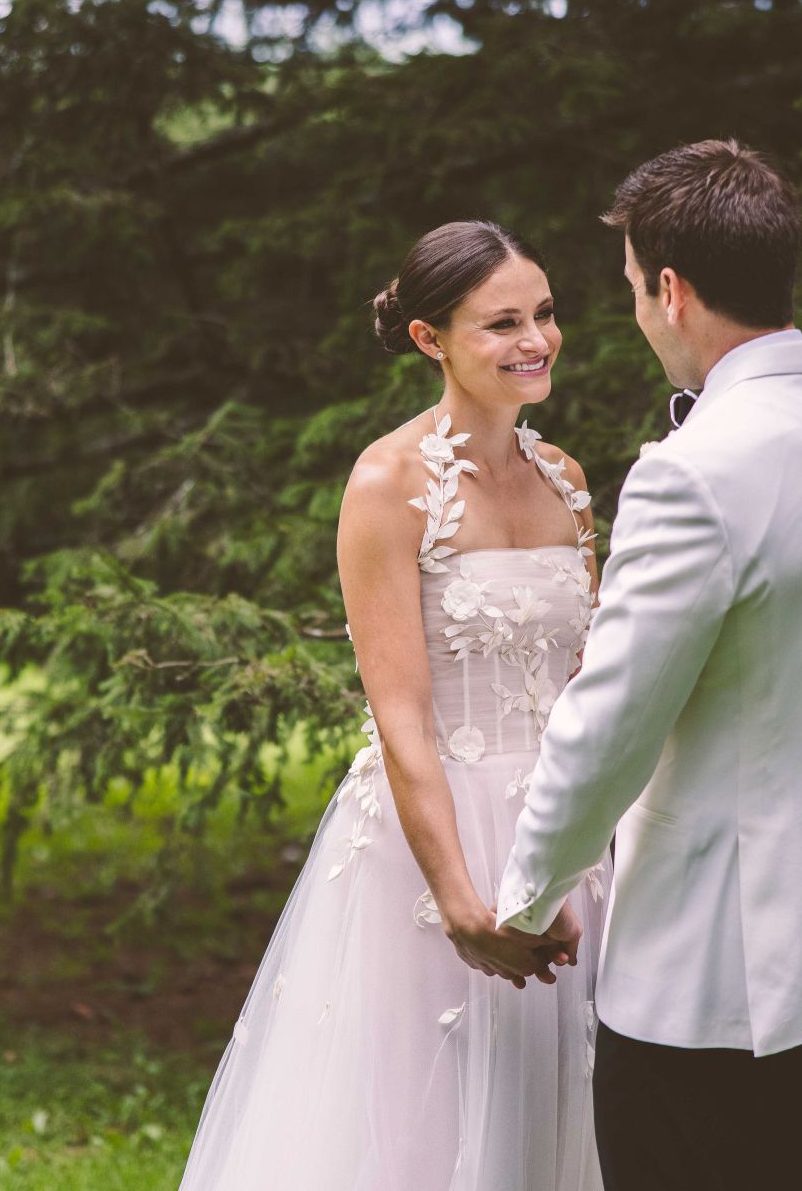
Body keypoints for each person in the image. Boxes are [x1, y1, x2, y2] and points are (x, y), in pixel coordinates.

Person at [494, 139, 802, 1190]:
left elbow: (613, 721)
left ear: (671, 288)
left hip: (704, 950)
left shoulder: (694, 473)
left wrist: (522, 901)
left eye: (633, 294)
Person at [176, 220, 608, 1190]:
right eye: (501, 323)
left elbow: (590, 680)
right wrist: (458, 898)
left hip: (566, 829)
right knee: (424, 1122)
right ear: (430, 339)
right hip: (434, 835)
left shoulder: (567, 481)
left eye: (544, 314)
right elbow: (401, 712)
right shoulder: (387, 483)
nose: (535, 339)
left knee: (567, 1109)